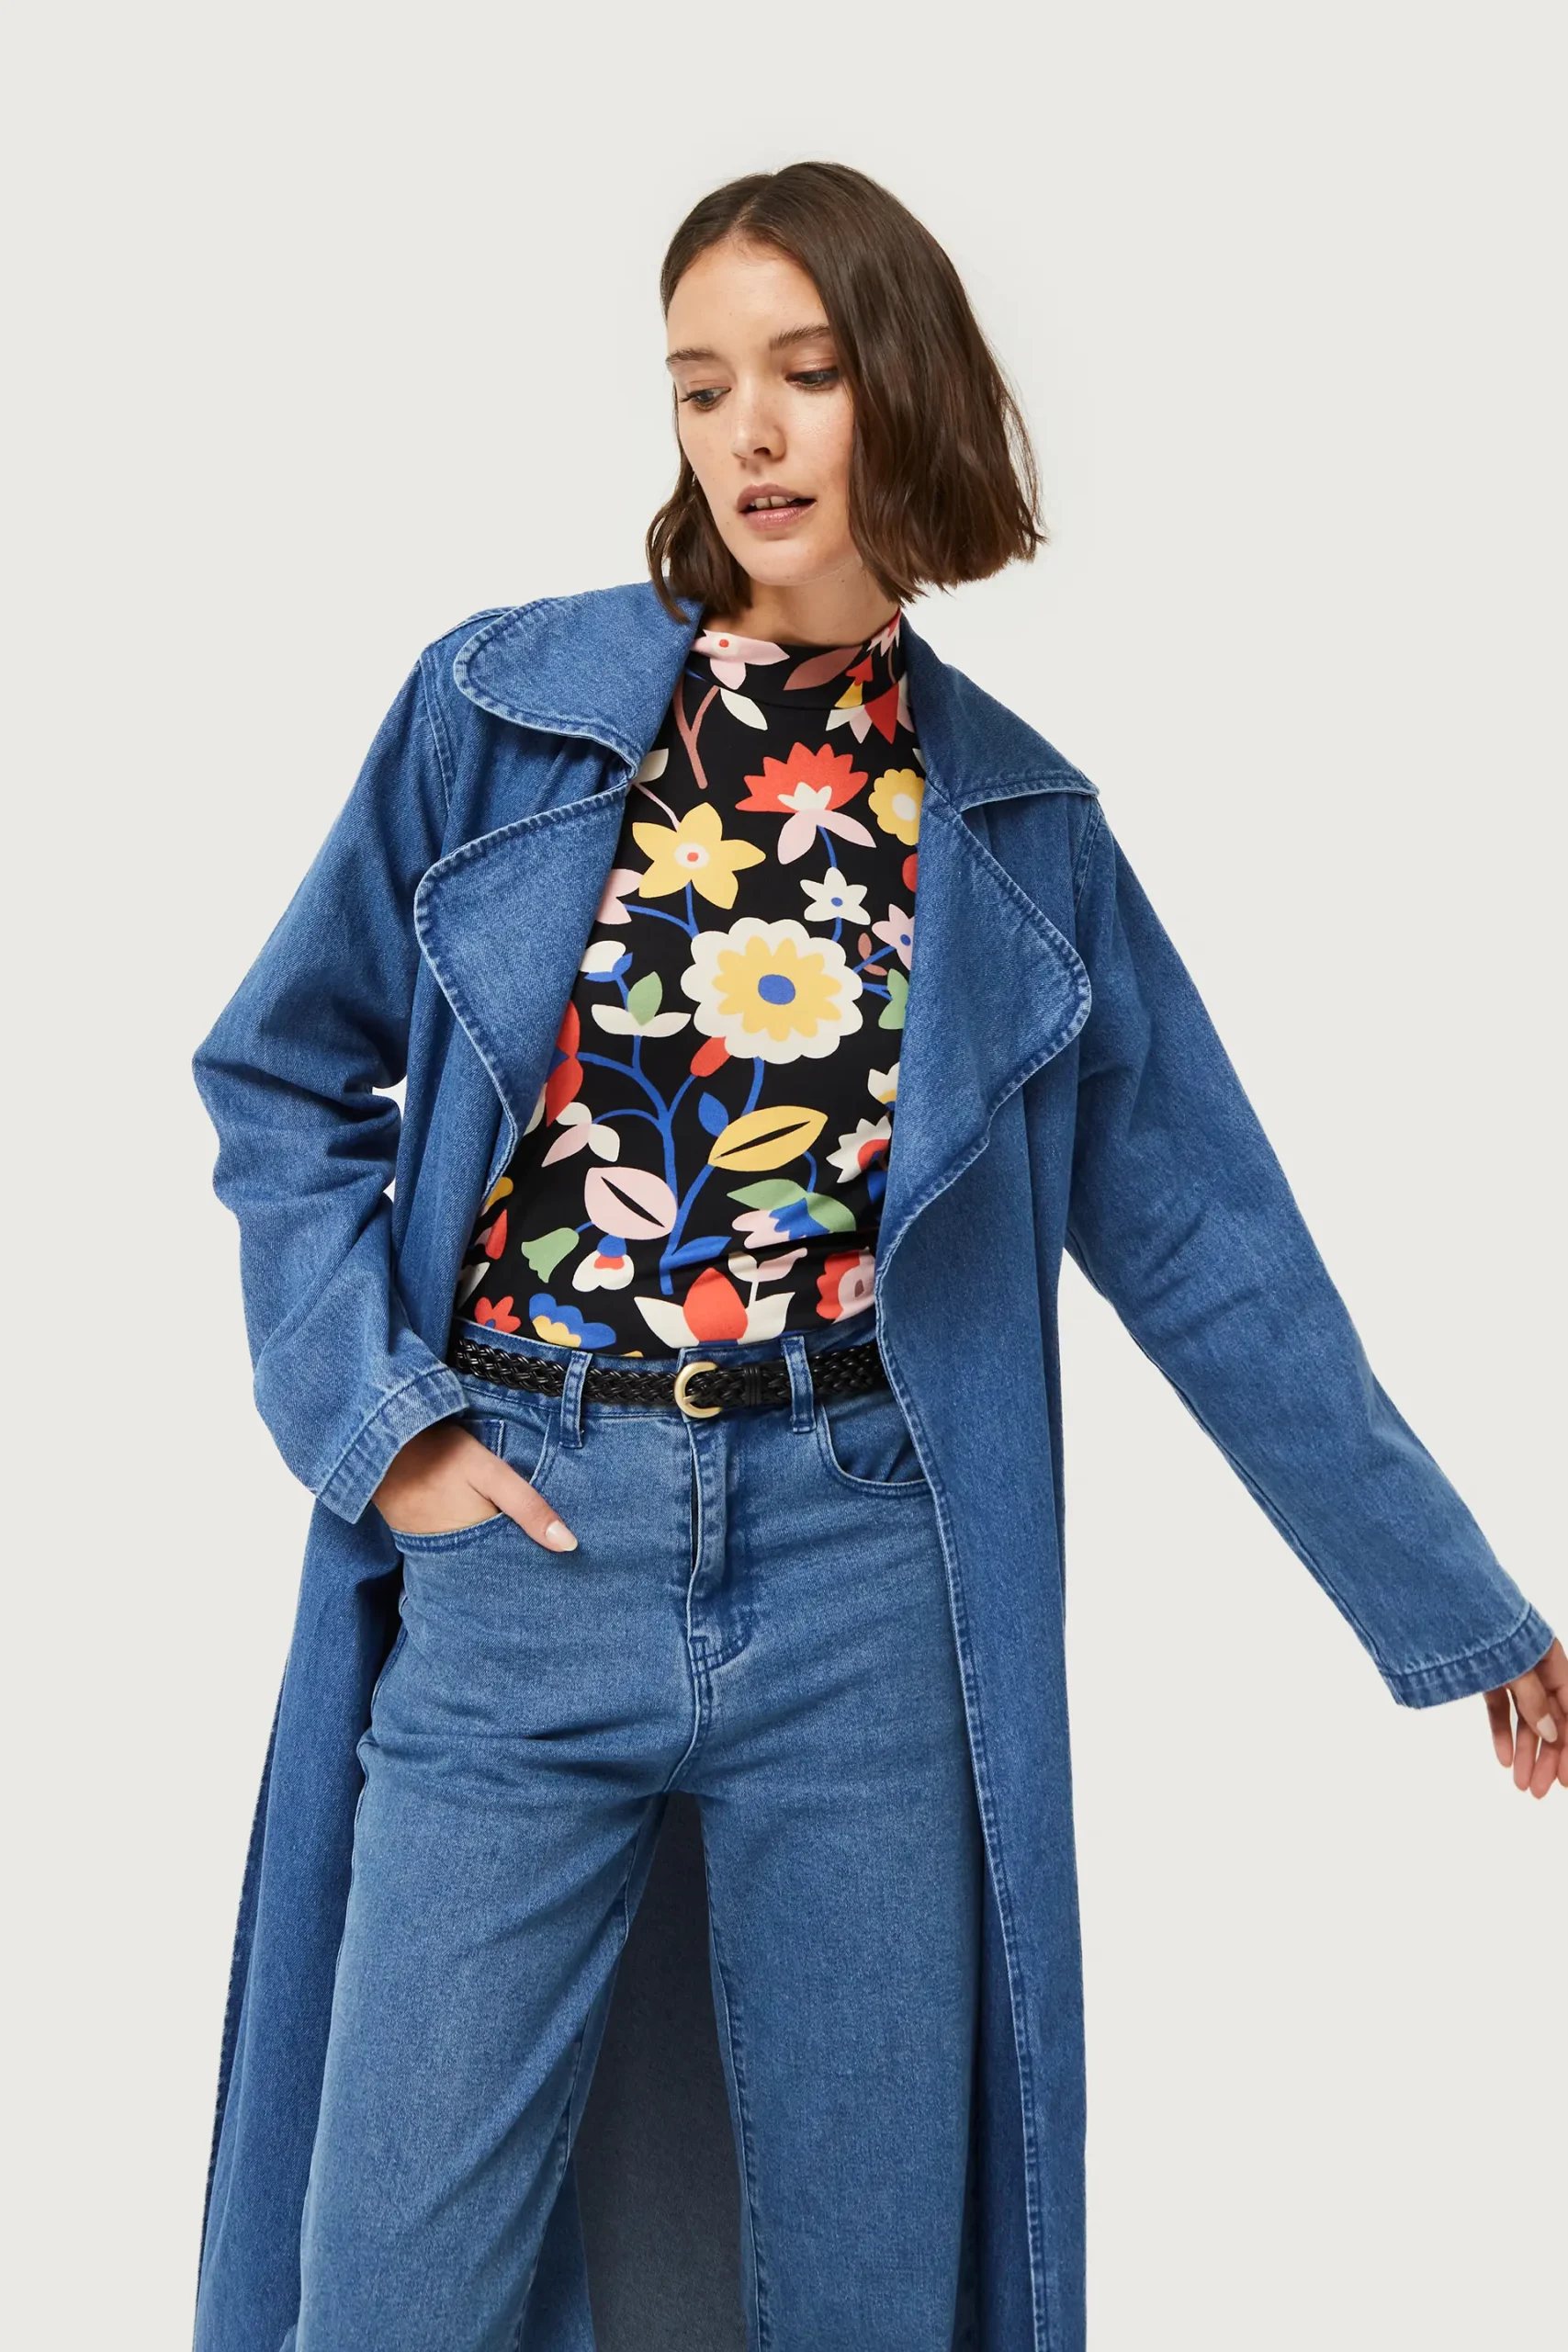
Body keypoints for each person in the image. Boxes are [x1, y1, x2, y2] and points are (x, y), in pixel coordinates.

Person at [191, 161, 1563, 2352]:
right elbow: (282, 1076)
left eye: (803, 373)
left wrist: (1458, 1603)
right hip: (526, 1545)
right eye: (699, 384)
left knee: (860, 2290)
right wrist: (382, 1424)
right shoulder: (503, 716)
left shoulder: (1017, 830)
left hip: (861, 1583)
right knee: (387, 2290)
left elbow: (1212, 1256)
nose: (746, 434)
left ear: (899, 389)